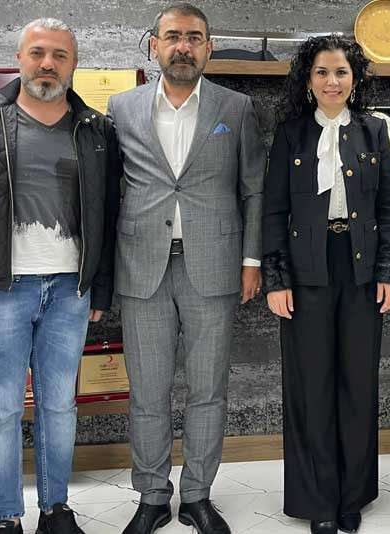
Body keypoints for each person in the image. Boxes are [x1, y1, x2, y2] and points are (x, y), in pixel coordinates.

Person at [0, 18, 120, 534]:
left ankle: (56, 510)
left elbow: (107, 214)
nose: (47, 64)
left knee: (59, 406)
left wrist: (99, 289)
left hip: (69, 290)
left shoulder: (95, 129)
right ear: (19, 58)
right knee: (1, 411)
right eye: (37, 52)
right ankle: (7, 518)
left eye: (60, 55)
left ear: (73, 64)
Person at [107, 3, 265, 533]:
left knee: (208, 390)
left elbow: (253, 188)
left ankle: (198, 495)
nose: (183, 47)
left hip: (214, 267)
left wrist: (251, 260)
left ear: (209, 47)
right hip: (141, 267)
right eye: (173, 36)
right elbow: (109, 189)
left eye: (194, 38)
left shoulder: (236, 107)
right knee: (147, 393)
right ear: (154, 44)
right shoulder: (121, 107)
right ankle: (152, 496)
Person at [261, 35, 390, 534]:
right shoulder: (291, 134)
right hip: (306, 271)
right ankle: (318, 499)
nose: (332, 81)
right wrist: (276, 278)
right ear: (308, 80)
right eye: (322, 72)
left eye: (341, 72)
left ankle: (352, 496)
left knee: (358, 383)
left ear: (355, 79)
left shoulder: (373, 131)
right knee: (311, 385)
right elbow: (274, 210)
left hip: (361, 269)